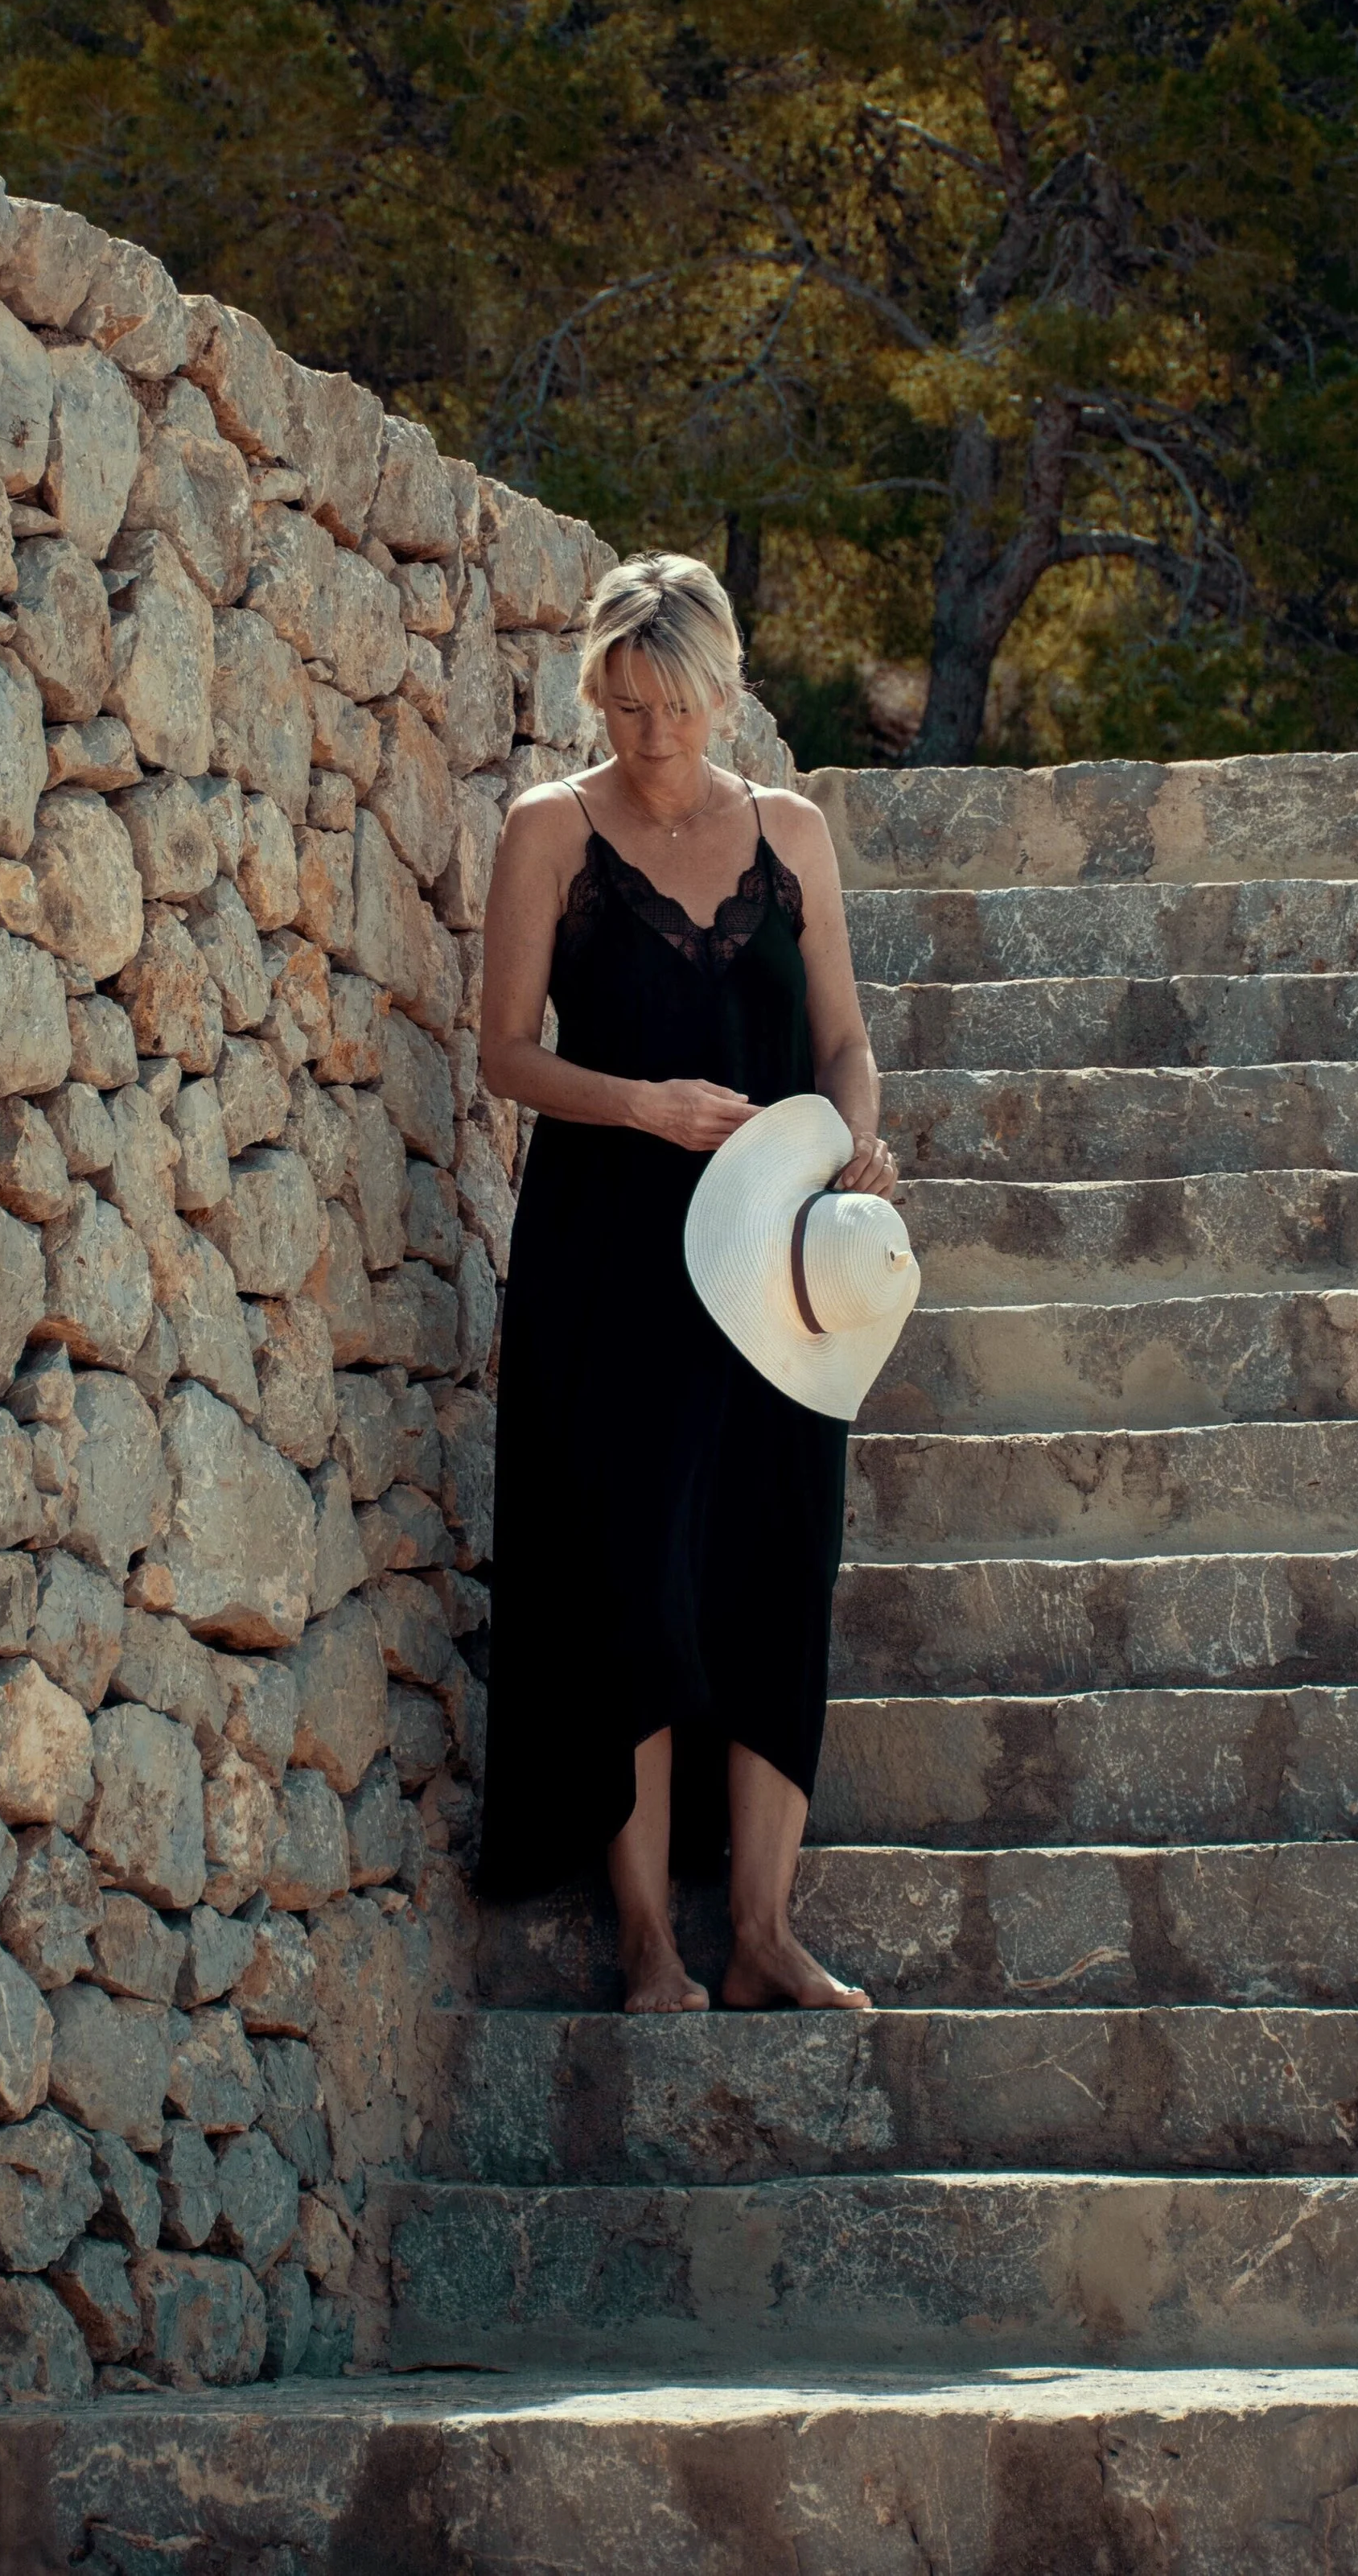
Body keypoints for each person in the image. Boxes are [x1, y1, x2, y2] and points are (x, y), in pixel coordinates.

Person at [474, 552, 899, 2013]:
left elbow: (844, 1040)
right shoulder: (549, 829)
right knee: (630, 1581)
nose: (649, 734)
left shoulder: (793, 834)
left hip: (777, 1264)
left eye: (674, 705)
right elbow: (505, 1055)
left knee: (777, 1565)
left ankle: (767, 1931)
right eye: (624, 702)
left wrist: (859, 1140)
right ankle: (651, 1942)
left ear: (725, 693)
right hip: (609, 1251)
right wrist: (642, 1105)